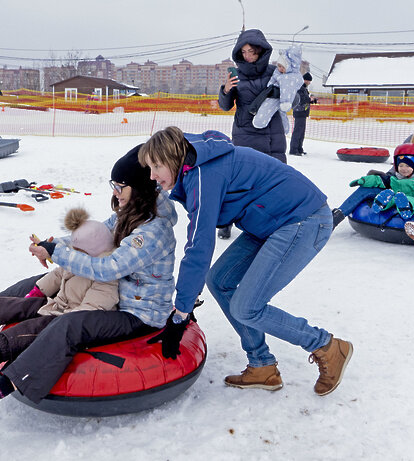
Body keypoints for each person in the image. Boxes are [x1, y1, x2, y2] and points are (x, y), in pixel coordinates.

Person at [0, 146, 180, 432]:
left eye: (120, 185)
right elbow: (99, 236)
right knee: (44, 283)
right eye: (113, 185)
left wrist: (61, 253)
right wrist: (55, 244)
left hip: (137, 313)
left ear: (139, 187)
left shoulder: (152, 232)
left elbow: (110, 267)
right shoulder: (129, 213)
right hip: (114, 295)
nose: (115, 191)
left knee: (69, 325)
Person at [139, 126, 353, 397]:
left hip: (302, 219)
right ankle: (262, 364)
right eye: (149, 167)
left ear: (173, 157)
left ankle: (327, 346)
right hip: (270, 222)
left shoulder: (203, 175)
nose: (152, 175)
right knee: (220, 281)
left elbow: (199, 245)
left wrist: (181, 312)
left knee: (248, 307)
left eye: (157, 166)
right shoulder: (194, 164)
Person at [0, 206, 120, 378]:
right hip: (59, 305)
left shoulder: (106, 277)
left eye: (78, 251)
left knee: (35, 328)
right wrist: (37, 291)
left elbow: (90, 309)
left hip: (68, 318)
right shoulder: (79, 260)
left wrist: (62, 322)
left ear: (93, 252)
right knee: (25, 305)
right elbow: (57, 274)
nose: (73, 255)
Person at [332, 106, 414, 252]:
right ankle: (336, 217)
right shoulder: (412, 140)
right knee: (368, 187)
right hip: (403, 183)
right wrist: (385, 177)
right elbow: (398, 164)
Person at [216, 29, 286, 240]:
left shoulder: (275, 71)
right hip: (245, 132)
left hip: (272, 132)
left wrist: (290, 80)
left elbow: (293, 96)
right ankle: (226, 221)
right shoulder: (235, 74)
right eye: (244, 52)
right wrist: (226, 90)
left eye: (251, 51)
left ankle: (272, 221)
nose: (247, 56)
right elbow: (225, 106)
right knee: (238, 181)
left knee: (274, 180)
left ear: (261, 51)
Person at [346, 144, 414, 220]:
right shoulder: (394, 178)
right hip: (396, 197)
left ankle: (406, 207)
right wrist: (364, 180)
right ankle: (380, 203)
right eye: (401, 165)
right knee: (392, 198)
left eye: (408, 166)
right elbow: (378, 180)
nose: (404, 169)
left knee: (413, 201)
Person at [288, 72, 314, 156]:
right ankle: (293, 149)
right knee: (297, 131)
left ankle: (299, 148)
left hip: (303, 112)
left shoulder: (304, 88)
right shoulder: (299, 88)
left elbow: (306, 99)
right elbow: (300, 99)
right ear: (305, 80)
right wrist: (309, 100)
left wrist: (312, 100)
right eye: (308, 81)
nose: (309, 83)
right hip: (299, 112)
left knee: (301, 132)